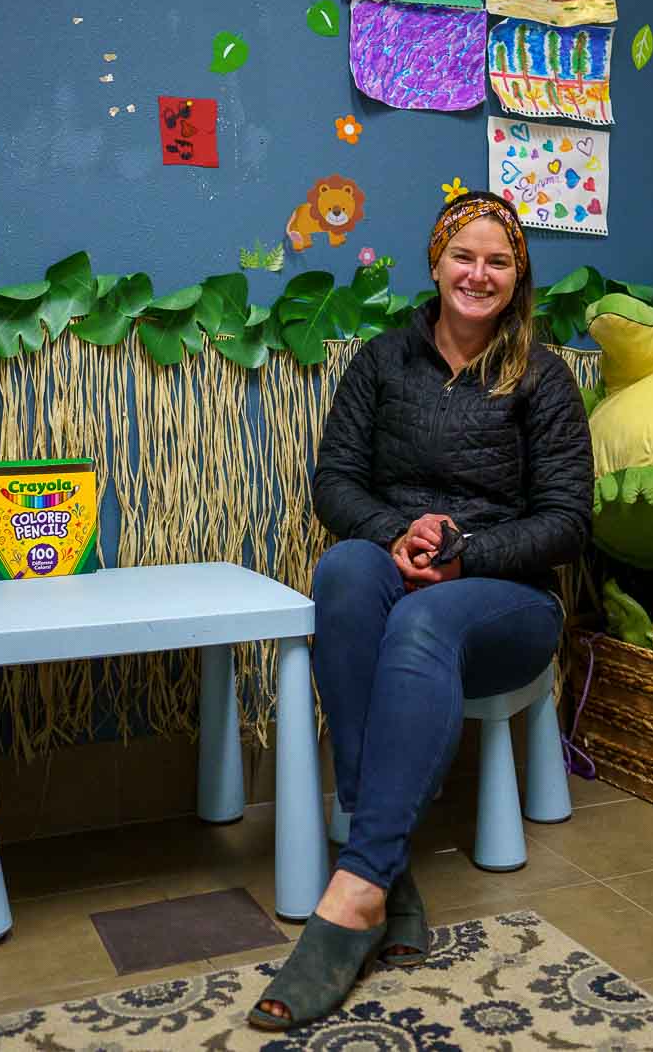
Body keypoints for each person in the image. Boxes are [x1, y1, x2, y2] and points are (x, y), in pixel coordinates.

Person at [249, 192, 593, 1031]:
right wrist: (396, 533)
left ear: (518, 277)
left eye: (499, 261)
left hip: (506, 605)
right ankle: (385, 879)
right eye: (464, 256)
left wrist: (466, 550)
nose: (479, 274)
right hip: (396, 563)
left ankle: (355, 883)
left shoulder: (543, 378)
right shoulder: (382, 361)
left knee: (422, 622)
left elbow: (570, 522)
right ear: (437, 261)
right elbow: (334, 482)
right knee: (342, 574)